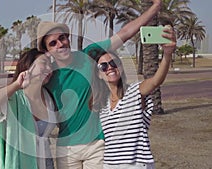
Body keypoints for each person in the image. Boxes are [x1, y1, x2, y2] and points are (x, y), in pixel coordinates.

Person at [36, 0, 162, 168]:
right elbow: (24, 88)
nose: (60, 44)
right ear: (47, 51)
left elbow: (125, 33)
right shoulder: (47, 75)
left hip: (97, 145)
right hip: (66, 148)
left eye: (62, 38)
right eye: (53, 43)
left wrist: (155, 6)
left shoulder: (89, 55)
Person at [89, 26, 176, 169]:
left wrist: (167, 54)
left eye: (113, 63)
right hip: (109, 165)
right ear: (99, 74)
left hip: (135, 165)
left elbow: (155, 81)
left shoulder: (135, 91)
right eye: (103, 66)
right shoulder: (102, 105)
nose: (109, 68)